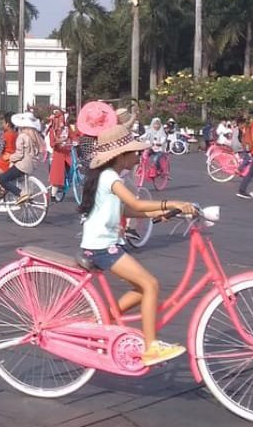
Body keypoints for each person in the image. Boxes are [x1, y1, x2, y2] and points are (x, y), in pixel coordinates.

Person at [76, 124, 195, 365]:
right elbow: (136, 204)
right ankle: (151, 347)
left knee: (142, 288)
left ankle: (99, 321)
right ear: (120, 156)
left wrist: (163, 213)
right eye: (135, 153)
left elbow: (127, 210)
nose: (138, 157)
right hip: (102, 247)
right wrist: (172, 203)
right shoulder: (110, 177)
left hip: (103, 244)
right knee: (150, 284)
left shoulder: (108, 176)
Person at [0, 112, 45, 198]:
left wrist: (9, 157)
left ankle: (21, 194)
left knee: (2, 179)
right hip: (32, 165)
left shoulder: (22, 136)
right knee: (11, 176)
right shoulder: (35, 136)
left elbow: (19, 155)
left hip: (22, 166)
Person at [46, 109, 72, 196]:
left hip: (67, 152)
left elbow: (72, 136)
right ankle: (53, 195)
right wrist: (60, 141)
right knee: (57, 176)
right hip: (58, 154)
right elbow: (52, 143)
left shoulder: (67, 128)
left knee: (72, 168)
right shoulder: (52, 130)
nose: (61, 120)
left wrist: (73, 141)